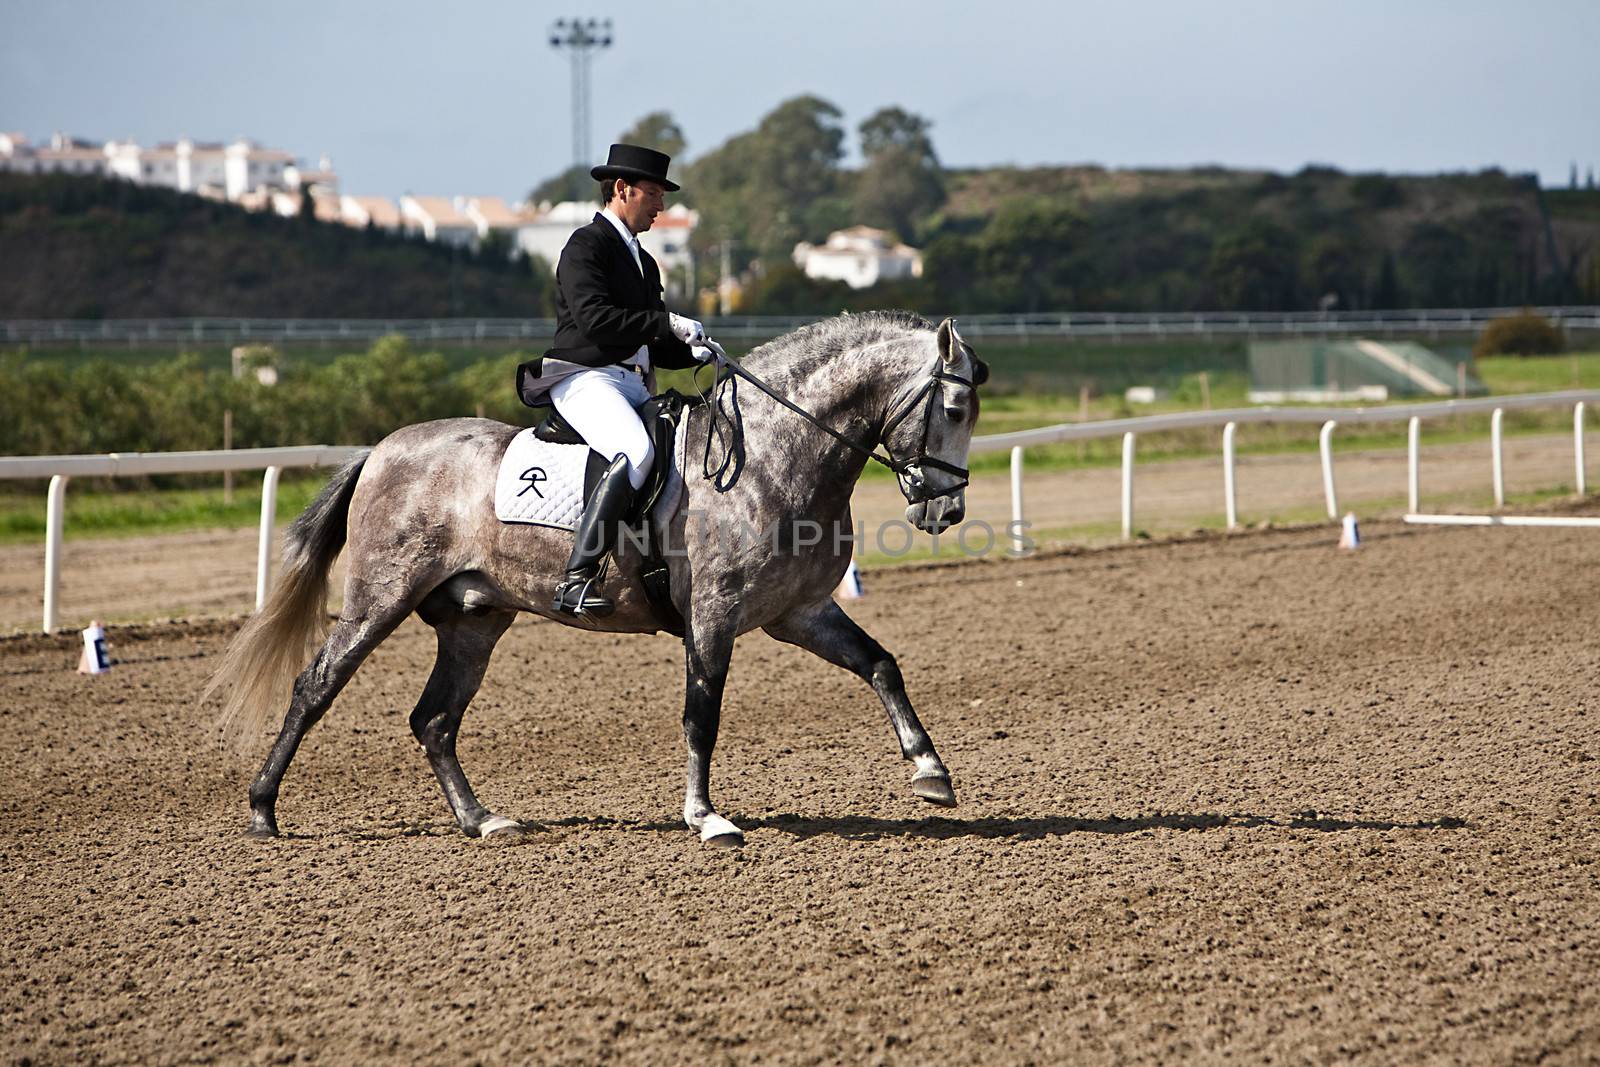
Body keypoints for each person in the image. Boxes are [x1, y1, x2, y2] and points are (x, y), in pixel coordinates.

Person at [516, 143, 712, 617]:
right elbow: (598, 320)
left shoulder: (643, 262)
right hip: (584, 378)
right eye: (653, 193)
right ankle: (576, 577)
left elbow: (651, 342)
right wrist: (664, 323)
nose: (661, 205)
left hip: (631, 381)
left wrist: (697, 352)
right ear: (621, 190)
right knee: (637, 452)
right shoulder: (586, 246)